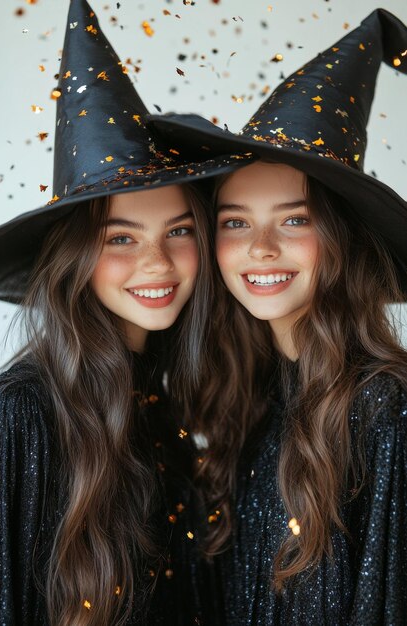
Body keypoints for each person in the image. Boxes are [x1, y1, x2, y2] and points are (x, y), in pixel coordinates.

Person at [148, 9, 407, 625]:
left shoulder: (385, 414)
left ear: (340, 238)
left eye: (295, 219)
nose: (261, 248)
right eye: (235, 222)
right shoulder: (249, 405)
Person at [0, 1, 241, 624]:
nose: (156, 263)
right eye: (121, 238)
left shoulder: (161, 399)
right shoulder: (20, 416)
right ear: (76, 255)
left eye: (178, 232)